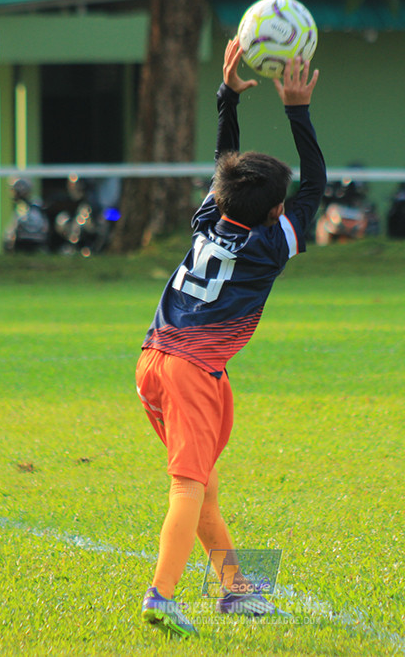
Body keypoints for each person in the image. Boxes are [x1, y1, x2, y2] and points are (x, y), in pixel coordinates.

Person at [136, 37, 324, 638]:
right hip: (190, 370)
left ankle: (237, 589)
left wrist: (228, 98)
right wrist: (297, 109)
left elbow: (227, 167)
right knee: (189, 485)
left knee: (205, 486)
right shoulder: (270, 245)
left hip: (155, 359)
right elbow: (316, 187)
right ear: (276, 213)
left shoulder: (210, 217)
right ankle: (161, 596)